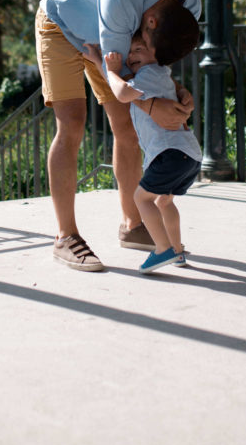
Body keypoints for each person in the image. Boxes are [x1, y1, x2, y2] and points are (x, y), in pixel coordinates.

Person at [35, 0, 201, 272]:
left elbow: (156, 60)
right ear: (149, 21)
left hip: (111, 41)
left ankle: (132, 225)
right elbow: (118, 78)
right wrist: (152, 105)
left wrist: (176, 91)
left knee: (126, 127)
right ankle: (65, 237)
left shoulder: (188, 4)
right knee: (72, 124)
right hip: (61, 25)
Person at [84, 34, 202, 273]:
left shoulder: (150, 74)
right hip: (188, 155)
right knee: (164, 201)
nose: (131, 55)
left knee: (141, 199)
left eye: (139, 49)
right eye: (130, 52)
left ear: (156, 54)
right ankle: (176, 250)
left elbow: (123, 93)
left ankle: (162, 249)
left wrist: (103, 65)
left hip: (169, 153)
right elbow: (130, 84)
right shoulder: (157, 76)